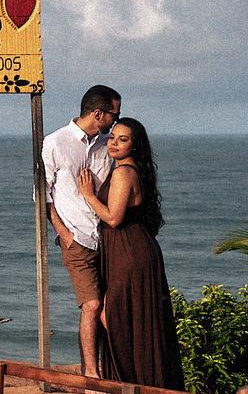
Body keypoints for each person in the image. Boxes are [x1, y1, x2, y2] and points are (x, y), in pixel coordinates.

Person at [77, 117, 184, 389]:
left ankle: (132, 384)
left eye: (122, 139)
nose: (113, 143)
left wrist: (88, 195)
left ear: (135, 146)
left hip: (130, 254)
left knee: (115, 317)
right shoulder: (125, 169)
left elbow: (113, 218)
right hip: (127, 250)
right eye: (112, 137)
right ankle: (134, 383)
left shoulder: (125, 172)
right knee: (131, 321)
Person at [43, 84, 121, 379]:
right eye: (114, 114)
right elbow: (43, 193)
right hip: (77, 238)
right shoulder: (56, 142)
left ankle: (113, 369)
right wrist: (63, 232)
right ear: (98, 113)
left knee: (111, 307)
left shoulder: (107, 143)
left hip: (108, 236)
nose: (117, 120)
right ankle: (90, 377)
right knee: (92, 304)